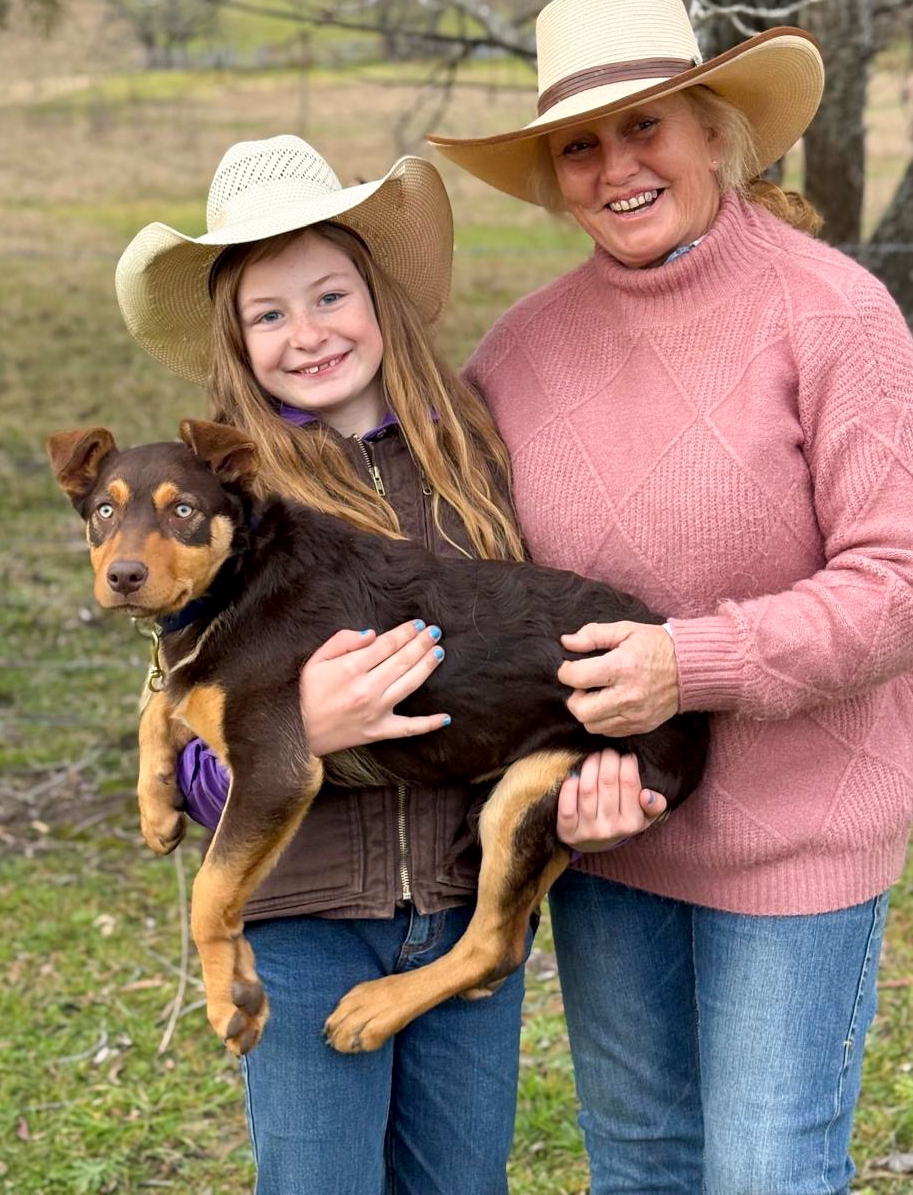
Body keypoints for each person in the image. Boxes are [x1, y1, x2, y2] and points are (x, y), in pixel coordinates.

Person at [427, 0, 913, 1195]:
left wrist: (690, 662)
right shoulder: (518, 354)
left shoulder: (833, 316)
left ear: (715, 131)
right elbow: (477, 587)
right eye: (580, 143)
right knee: (642, 1165)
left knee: (767, 1170)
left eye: (646, 126)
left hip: (798, 832)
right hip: (608, 832)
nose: (616, 164)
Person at [113, 135, 554, 1195]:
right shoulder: (234, 505)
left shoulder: (474, 455)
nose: (306, 334)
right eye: (269, 314)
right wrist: (292, 730)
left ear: (378, 296)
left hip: (458, 895)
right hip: (303, 917)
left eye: (328, 296)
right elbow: (192, 731)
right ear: (236, 340)